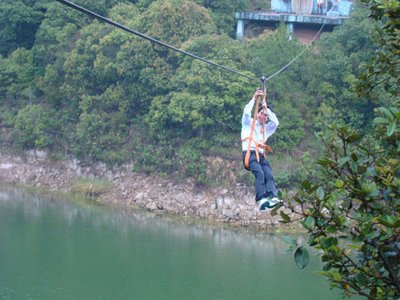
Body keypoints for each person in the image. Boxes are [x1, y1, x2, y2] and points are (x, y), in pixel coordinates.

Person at [241, 89, 282, 211]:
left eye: (265, 116)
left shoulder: (266, 129)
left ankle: (271, 196)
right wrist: (254, 98)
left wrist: (267, 109)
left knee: (268, 173)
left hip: (260, 155)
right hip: (249, 154)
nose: (262, 116)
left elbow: (276, 122)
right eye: (261, 114)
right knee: (260, 173)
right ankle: (261, 199)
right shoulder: (248, 123)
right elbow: (246, 112)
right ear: (257, 113)